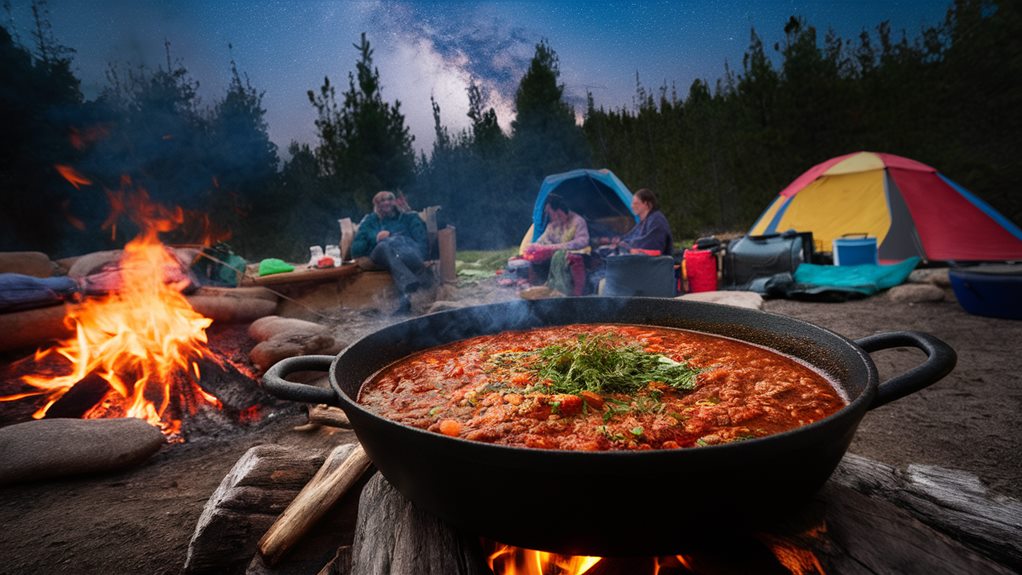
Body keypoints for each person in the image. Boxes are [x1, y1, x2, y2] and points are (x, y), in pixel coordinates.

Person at [350, 190, 429, 313]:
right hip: (379, 254)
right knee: (384, 246)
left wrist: (394, 237)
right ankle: (409, 284)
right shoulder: (370, 222)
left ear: (396, 201)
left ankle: (405, 301)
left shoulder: (410, 217)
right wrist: (375, 238)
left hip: (407, 252)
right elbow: (356, 250)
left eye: (389, 199)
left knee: (392, 242)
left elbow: (421, 242)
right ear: (376, 205)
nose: (386, 203)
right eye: (382, 201)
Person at [521, 194, 590, 295]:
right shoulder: (553, 225)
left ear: (561, 210)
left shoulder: (578, 221)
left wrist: (554, 247)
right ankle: (536, 289)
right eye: (552, 215)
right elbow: (542, 241)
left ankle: (569, 292)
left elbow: (583, 241)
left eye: (557, 214)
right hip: (554, 257)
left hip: (573, 257)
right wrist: (533, 246)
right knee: (534, 261)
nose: (554, 217)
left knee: (565, 258)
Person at [603, 188, 674, 255]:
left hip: (656, 263)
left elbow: (652, 243)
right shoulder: (644, 221)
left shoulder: (657, 219)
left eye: (636, 203)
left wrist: (624, 244)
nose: (632, 206)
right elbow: (630, 236)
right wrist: (617, 241)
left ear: (646, 204)